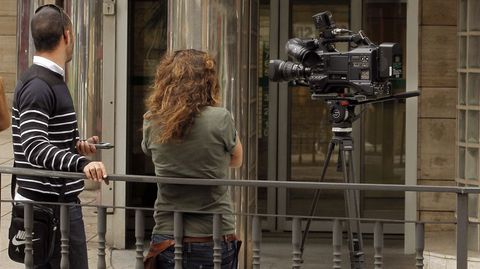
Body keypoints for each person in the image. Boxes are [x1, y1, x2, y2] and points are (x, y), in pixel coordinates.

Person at [11, 4, 107, 269]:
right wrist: (82, 164)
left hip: (51, 207)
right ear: (67, 35)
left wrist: (75, 146)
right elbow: (33, 146)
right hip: (50, 208)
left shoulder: (45, 80)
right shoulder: (40, 85)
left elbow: (43, 139)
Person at [142, 49, 243, 268]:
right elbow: (237, 159)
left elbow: (153, 155)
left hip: (167, 236)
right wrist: (213, 161)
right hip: (215, 235)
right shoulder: (221, 118)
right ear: (208, 82)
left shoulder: (152, 120)